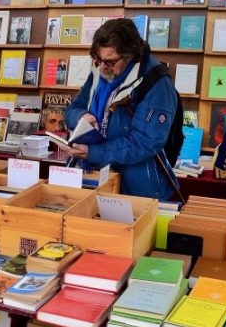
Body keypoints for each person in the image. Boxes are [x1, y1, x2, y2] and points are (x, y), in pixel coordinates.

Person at [60, 18, 179, 200]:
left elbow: (144, 142)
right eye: (97, 59)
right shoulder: (100, 70)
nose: (101, 66)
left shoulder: (156, 83)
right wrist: (82, 116)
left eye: (109, 61)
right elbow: (72, 109)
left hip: (136, 189)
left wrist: (93, 153)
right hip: (93, 178)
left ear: (129, 55)